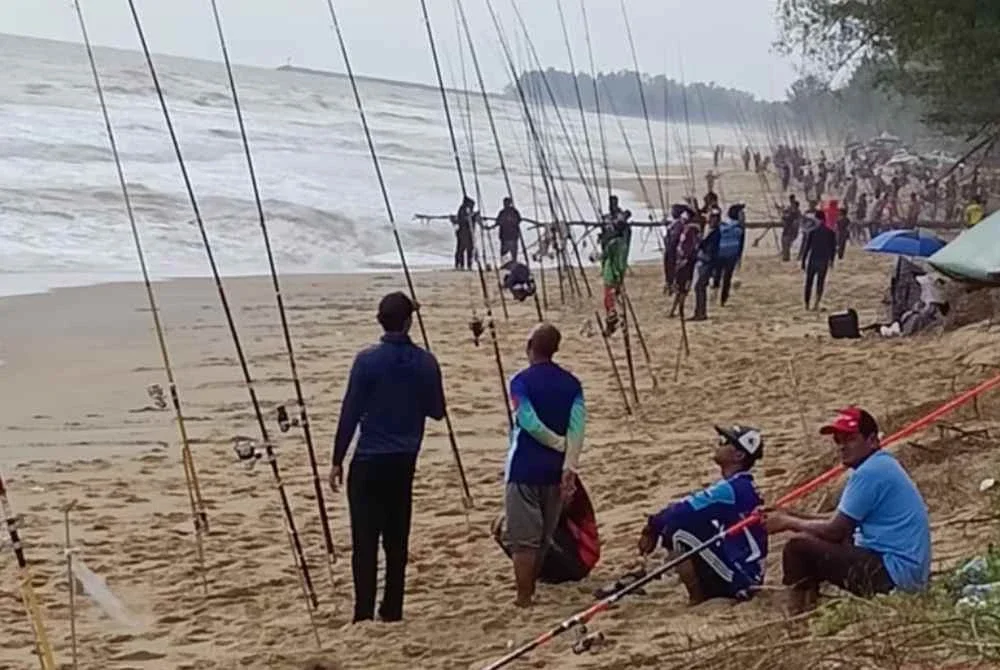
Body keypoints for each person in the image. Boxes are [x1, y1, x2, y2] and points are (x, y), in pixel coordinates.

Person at [329, 292, 446, 623]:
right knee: (397, 540)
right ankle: (392, 610)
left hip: (367, 461)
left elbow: (350, 412)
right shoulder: (426, 362)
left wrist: (337, 459)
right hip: (403, 461)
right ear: (408, 322)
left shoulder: (366, 361)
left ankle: (363, 612)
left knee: (364, 541)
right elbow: (438, 410)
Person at [765, 408, 931, 615]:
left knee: (798, 547)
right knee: (816, 540)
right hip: (906, 572)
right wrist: (789, 513)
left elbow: (835, 530)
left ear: (872, 440)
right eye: (838, 440)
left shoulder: (869, 473)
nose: (842, 446)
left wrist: (787, 523)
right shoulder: (882, 464)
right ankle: (808, 605)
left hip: (894, 574)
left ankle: (797, 615)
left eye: (850, 439)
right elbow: (841, 519)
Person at [504, 323, 586, 607]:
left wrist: (556, 443)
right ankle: (530, 589)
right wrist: (569, 465)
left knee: (524, 540)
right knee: (543, 536)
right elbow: (578, 428)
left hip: (524, 467)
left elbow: (528, 421)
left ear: (530, 347)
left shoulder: (520, 382)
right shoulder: (572, 384)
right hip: (555, 470)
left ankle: (524, 596)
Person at [638, 425, 766, 604]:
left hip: (742, 575)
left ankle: (697, 598)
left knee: (676, 530)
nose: (718, 444)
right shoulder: (741, 486)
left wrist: (652, 527)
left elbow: (681, 511)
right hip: (745, 567)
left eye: (725, 442)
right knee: (688, 523)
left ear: (739, 455)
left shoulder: (733, 489)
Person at [599, 218, 630, 334]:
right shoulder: (624, 243)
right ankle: (616, 320)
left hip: (611, 275)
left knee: (609, 300)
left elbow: (605, 256)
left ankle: (611, 324)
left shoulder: (613, 244)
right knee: (614, 298)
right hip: (616, 274)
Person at [801, 211, 836, 310]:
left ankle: (807, 304)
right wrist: (831, 260)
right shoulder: (830, 232)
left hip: (813, 260)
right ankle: (816, 303)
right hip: (823, 260)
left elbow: (807, 248)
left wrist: (803, 261)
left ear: (817, 219)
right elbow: (833, 248)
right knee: (820, 282)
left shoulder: (812, 232)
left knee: (809, 283)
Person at [691, 208, 721, 321]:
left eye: (713, 218)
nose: (711, 220)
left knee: (699, 287)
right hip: (706, 262)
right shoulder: (712, 231)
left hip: (707, 263)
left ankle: (701, 313)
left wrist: (699, 241)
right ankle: (699, 312)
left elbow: (706, 248)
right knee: (700, 287)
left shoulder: (714, 233)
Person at [715, 204, 746, 307]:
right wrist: (739, 257)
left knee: (717, 275)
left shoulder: (722, 225)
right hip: (731, 254)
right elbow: (741, 244)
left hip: (720, 252)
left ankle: (715, 295)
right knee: (727, 278)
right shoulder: (739, 228)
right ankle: (723, 299)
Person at [496, 197, 521, 262]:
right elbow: (498, 222)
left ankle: (513, 263)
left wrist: (510, 220)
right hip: (505, 237)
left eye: (507, 203)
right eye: (505, 203)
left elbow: (518, 220)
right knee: (504, 254)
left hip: (512, 236)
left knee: (513, 254)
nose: (505, 204)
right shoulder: (502, 212)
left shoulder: (514, 212)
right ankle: (505, 264)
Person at [453, 196, 476, 270]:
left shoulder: (469, 211)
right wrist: (471, 216)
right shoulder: (462, 210)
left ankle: (469, 264)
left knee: (470, 249)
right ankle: (460, 264)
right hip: (463, 233)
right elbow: (462, 219)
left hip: (470, 233)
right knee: (461, 249)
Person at [780, 195, 802, 262]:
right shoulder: (788, 209)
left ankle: (786, 257)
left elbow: (798, 220)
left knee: (787, 242)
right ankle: (785, 256)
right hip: (787, 229)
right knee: (783, 241)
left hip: (792, 230)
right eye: (791, 201)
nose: (792, 203)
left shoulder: (797, 212)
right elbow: (784, 215)